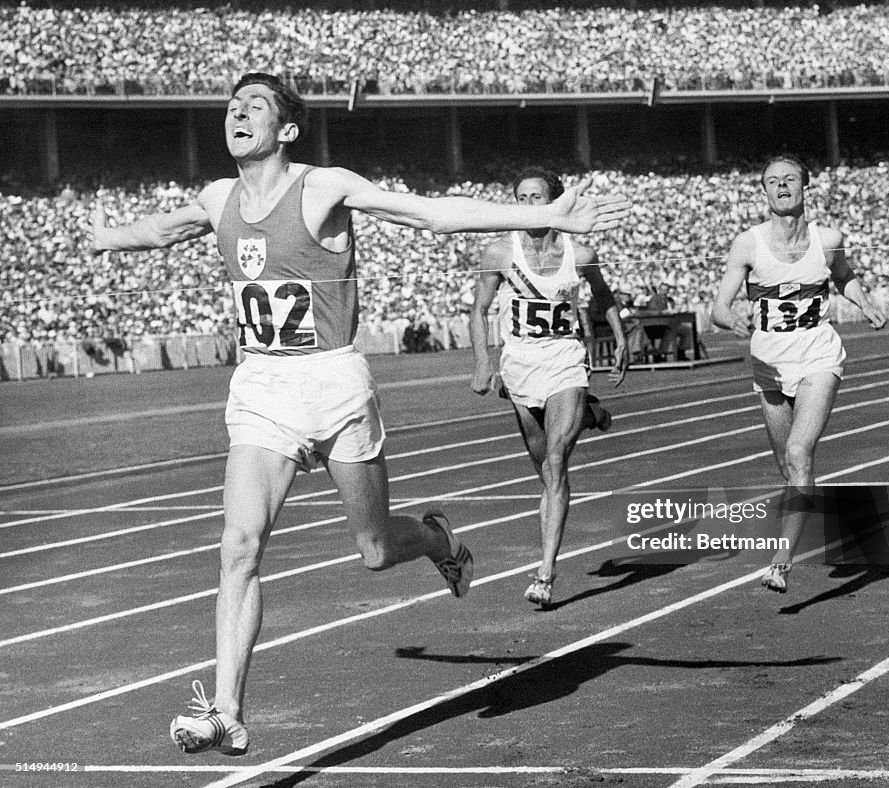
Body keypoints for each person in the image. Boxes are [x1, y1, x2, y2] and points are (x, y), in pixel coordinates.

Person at [88, 73, 630, 756]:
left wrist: (546, 217)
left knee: (375, 550)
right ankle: (226, 706)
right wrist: (108, 238)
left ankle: (435, 538)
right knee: (239, 546)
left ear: (286, 129)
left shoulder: (324, 187)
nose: (237, 113)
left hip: (334, 382)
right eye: (232, 106)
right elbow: (164, 230)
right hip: (262, 387)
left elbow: (428, 213)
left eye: (254, 106)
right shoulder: (217, 196)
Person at [710, 155, 886, 593]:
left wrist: (864, 305)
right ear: (764, 192)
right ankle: (802, 520)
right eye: (773, 181)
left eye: (790, 179)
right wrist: (731, 320)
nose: (782, 186)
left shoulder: (828, 239)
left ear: (806, 187)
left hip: (818, 353)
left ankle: (781, 563)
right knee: (787, 469)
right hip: (769, 359)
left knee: (799, 452)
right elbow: (718, 306)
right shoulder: (747, 244)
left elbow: (843, 276)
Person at [469, 167, 628, 607]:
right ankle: (590, 413)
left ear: (556, 201)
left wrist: (618, 337)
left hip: (565, 360)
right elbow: (479, 310)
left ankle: (545, 571)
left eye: (537, 196)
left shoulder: (581, 251)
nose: (528, 205)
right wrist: (483, 362)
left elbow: (602, 294)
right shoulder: (499, 251)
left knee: (557, 463)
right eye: (520, 197)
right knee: (543, 471)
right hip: (520, 365)